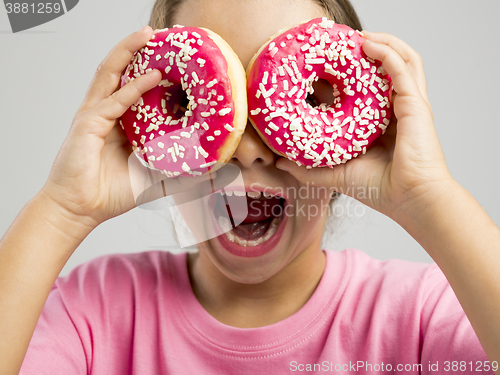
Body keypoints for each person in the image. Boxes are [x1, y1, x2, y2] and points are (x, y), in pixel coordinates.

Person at [1, 0, 499, 373]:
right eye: (194, 98)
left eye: (295, 97)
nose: (245, 150)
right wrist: (63, 210)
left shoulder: (419, 319)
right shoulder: (92, 314)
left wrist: (427, 197)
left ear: (360, 139)